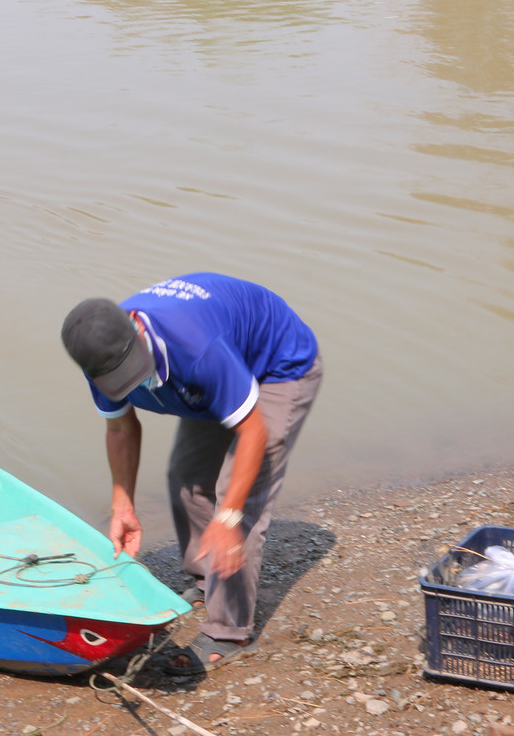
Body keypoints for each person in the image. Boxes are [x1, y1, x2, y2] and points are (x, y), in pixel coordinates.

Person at [60, 273, 322, 674]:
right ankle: (207, 579)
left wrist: (228, 518)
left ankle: (229, 631)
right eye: (119, 378)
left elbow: (253, 431)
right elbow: (121, 428)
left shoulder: (196, 347)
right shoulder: (100, 359)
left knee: (238, 498)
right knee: (187, 478)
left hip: (277, 366)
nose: (133, 381)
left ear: (136, 324)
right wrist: (122, 504)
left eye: (133, 367)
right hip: (213, 372)